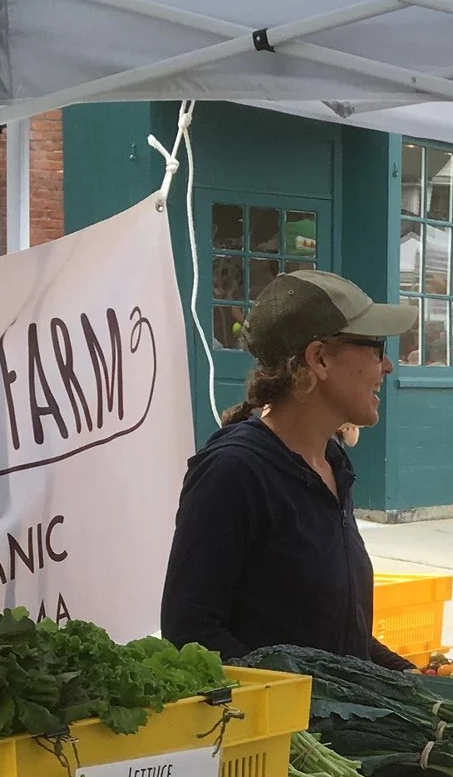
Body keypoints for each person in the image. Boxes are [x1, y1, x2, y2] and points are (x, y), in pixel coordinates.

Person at [159, 271, 420, 663]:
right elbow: (191, 634)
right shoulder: (233, 472)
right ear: (319, 358)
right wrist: (301, 692)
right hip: (277, 707)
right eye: (376, 348)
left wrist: (412, 679)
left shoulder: (333, 463)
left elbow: (341, 636)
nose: (387, 366)